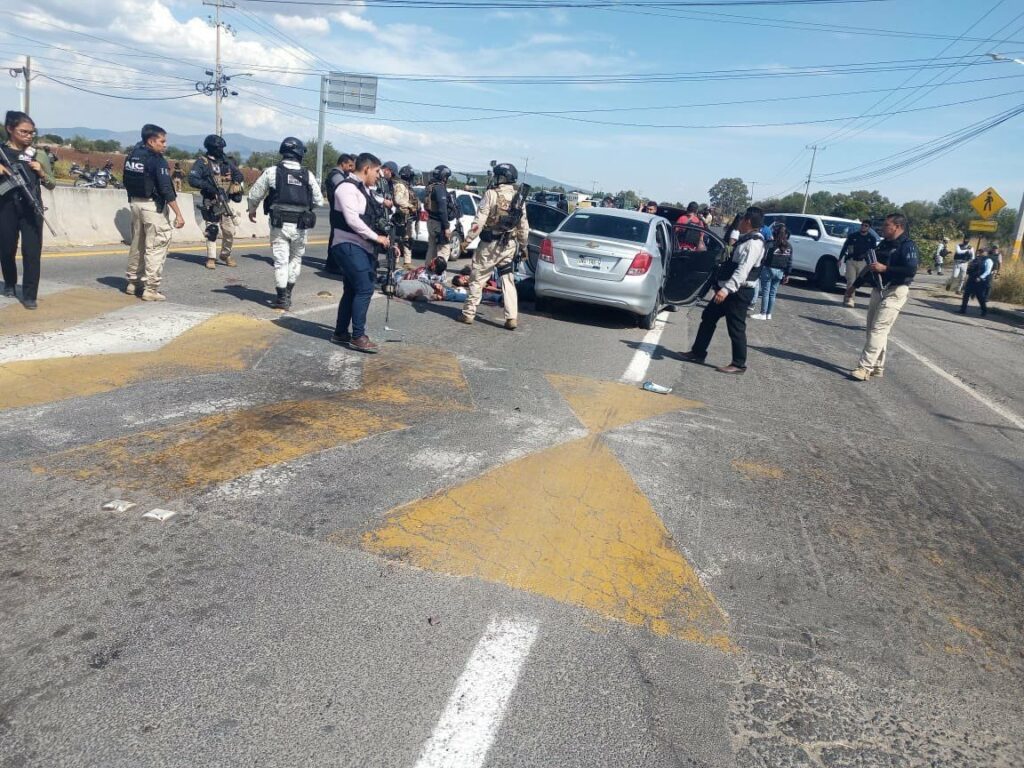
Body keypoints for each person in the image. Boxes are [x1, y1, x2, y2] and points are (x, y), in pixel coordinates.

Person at [680, 207, 767, 374]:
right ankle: (698, 352)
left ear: (748, 221)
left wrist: (726, 290)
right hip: (728, 289)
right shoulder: (746, 239)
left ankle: (739, 364)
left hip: (737, 292)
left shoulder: (754, 243)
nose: (739, 223)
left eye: (742, 220)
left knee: (736, 328)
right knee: (708, 317)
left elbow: (743, 270)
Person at [246, 137, 323, 311]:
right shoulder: (308, 175)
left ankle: (281, 299)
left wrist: (252, 210)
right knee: (295, 258)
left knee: (280, 261)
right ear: (299, 154)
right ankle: (288, 294)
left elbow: (255, 194)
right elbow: (318, 200)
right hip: (301, 226)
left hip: (279, 224)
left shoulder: (272, 172)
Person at [329, 152, 390, 353]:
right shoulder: (346, 188)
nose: (379, 176)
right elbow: (353, 220)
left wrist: (387, 240)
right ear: (366, 169)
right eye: (377, 171)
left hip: (360, 246)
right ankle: (358, 336)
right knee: (365, 287)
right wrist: (377, 237)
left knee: (352, 289)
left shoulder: (364, 189)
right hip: (347, 245)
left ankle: (340, 333)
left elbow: (374, 217)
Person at [457, 162, 529, 330]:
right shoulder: (519, 197)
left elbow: (479, 221)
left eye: (497, 176)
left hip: (489, 245)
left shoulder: (491, 194)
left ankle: (468, 313)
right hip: (508, 246)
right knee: (507, 280)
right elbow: (523, 226)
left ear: (502, 177)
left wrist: (467, 241)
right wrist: (524, 246)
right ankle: (511, 317)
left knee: (478, 278)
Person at [850, 213, 918, 382]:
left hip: (895, 291)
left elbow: (910, 270)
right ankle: (877, 366)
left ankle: (864, 368)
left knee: (878, 329)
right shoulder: (884, 244)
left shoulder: (907, 246)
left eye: (887, 225)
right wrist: (854, 286)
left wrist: (886, 269)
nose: (883, 228)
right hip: (878, 289)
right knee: (872, 329)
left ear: (897, 227)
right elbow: (871, 266)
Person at [122, 123, 186, 301]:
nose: (165, 145)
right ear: (151, 141)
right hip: (152, 208)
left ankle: (133, 283)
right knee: (156, 247)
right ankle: (150, 288)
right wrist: (178, 214)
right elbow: (166, 189)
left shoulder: (132, 156)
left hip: (135, 204)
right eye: (162, 141)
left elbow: (126, 180)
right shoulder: (157, 160)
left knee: (138, 245)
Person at [0, 111, 56, 308]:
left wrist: (41, 172)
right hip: (6, 208)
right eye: (23, 132)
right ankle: (9, 282)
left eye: (32, 132)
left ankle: (30, 295)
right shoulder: (1, 152)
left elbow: (51, 183)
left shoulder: (38, 154)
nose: (29, 136)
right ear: (10, 129)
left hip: (32, 208)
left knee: (32, 253)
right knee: (6, 249)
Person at [188, 134, 244, 270]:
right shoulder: (202, 162)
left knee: (229, 231)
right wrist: (210, 187)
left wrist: (234, 180)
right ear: (211, 148)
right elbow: (192, 179)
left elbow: (239, 174)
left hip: (225, 201)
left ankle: (225, 255)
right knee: (212, 230)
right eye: (219, 148)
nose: (221, 150)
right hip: (211, 201)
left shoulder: (226, 161)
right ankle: (211, 258)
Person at [752, 222, 792, 320]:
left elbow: (763, 257)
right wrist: (787, 274)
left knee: (765, 292)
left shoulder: (771, 244)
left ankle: (763, 313)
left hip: (768, 269)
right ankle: (769, 314)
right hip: (780, 271)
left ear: (774, 233)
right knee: (773, 293)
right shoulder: (789, 246)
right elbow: (790, 261)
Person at [838, 220, 877, 307]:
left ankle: (847, 296)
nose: (863, 227)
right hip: (851, 261)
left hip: (863, 262)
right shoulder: (853, 236)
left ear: (869, 228)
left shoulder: (871, 238)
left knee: (857, 282)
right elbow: (845, 247)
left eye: (866, 226)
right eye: (862, 225)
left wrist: (873, 263)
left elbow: (873, 252)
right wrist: (840, 259)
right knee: (851, 281)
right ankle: (849, 299)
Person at [425, 165, 456, 267]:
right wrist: (446, 227)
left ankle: (428, 271)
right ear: (443, 176)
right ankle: (439, 273)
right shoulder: (439, 188)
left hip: (431, 221)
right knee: (444, 250)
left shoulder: (431, 187)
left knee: (432, 249)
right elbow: (442, 209)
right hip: (439, 224)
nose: (447, 179)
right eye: (446, 177)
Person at [393, 165, 419, 267]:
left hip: (408, 217)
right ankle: (394, 262)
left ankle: (407, 263)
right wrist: (410, 206)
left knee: (408, 240)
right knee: (396, 240)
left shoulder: (407, 186)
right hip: (400, 217)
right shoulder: (400, 185)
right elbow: (398, 200)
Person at [958, 247, 993, 317]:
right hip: (972, 279)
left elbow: (987, 271)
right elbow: (970, 268)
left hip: (980, 281)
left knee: (980, 296)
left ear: (986, 252)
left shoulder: (988, 260)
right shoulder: (976, 259)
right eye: (980, 251)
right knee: (966, 294)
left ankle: (984, 310)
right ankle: (963, 309)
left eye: (982, 251)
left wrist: (980, 277)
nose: (980, 252)